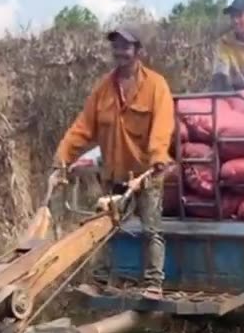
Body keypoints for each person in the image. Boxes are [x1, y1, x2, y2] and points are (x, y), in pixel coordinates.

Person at [54, 28, 175, 298]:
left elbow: (162, 127)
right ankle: (100, 281)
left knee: (151, 230)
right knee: (104, 227)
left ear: (138, 51)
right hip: (114, 174)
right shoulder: (103, 89)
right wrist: (62, 158)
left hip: (146, 174)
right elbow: (82, 127)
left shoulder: (156, 86)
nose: (120, 52)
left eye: (126, 47)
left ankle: (154, 283)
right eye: (116, 47)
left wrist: (157, 157)